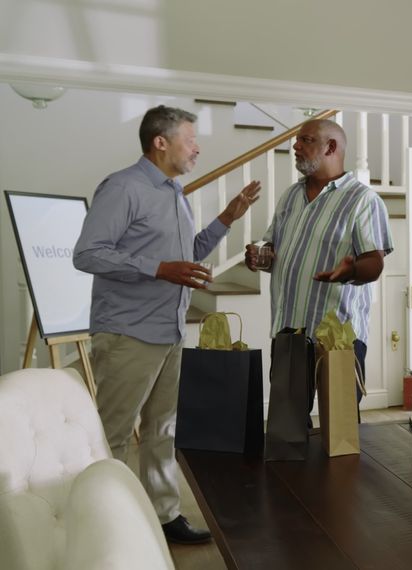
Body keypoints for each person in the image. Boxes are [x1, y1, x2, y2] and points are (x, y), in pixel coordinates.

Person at [74, 104, 261, 544]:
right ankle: (107, 527)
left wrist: (227, 218)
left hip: (168, 330)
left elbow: (187, 254)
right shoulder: (124, 187)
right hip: (128, 333)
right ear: (161, 142)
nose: (197, 148)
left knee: (161, 430)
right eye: (190, 139)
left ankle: (163, 514)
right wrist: (159, 269)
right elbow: (88, 253)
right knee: (113, 434)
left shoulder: (174, 193)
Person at [244, 119, 393, 391]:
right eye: (297, 140)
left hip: (337, 337)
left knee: (340, 429)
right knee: (288, 426)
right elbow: (275, 250)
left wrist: (352, 271)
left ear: (331, 147)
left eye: (306, 140)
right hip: (288, 333)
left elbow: (375, 262)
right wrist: (259, 257)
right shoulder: (290, 196)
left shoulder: (363, 200)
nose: (296, 145)